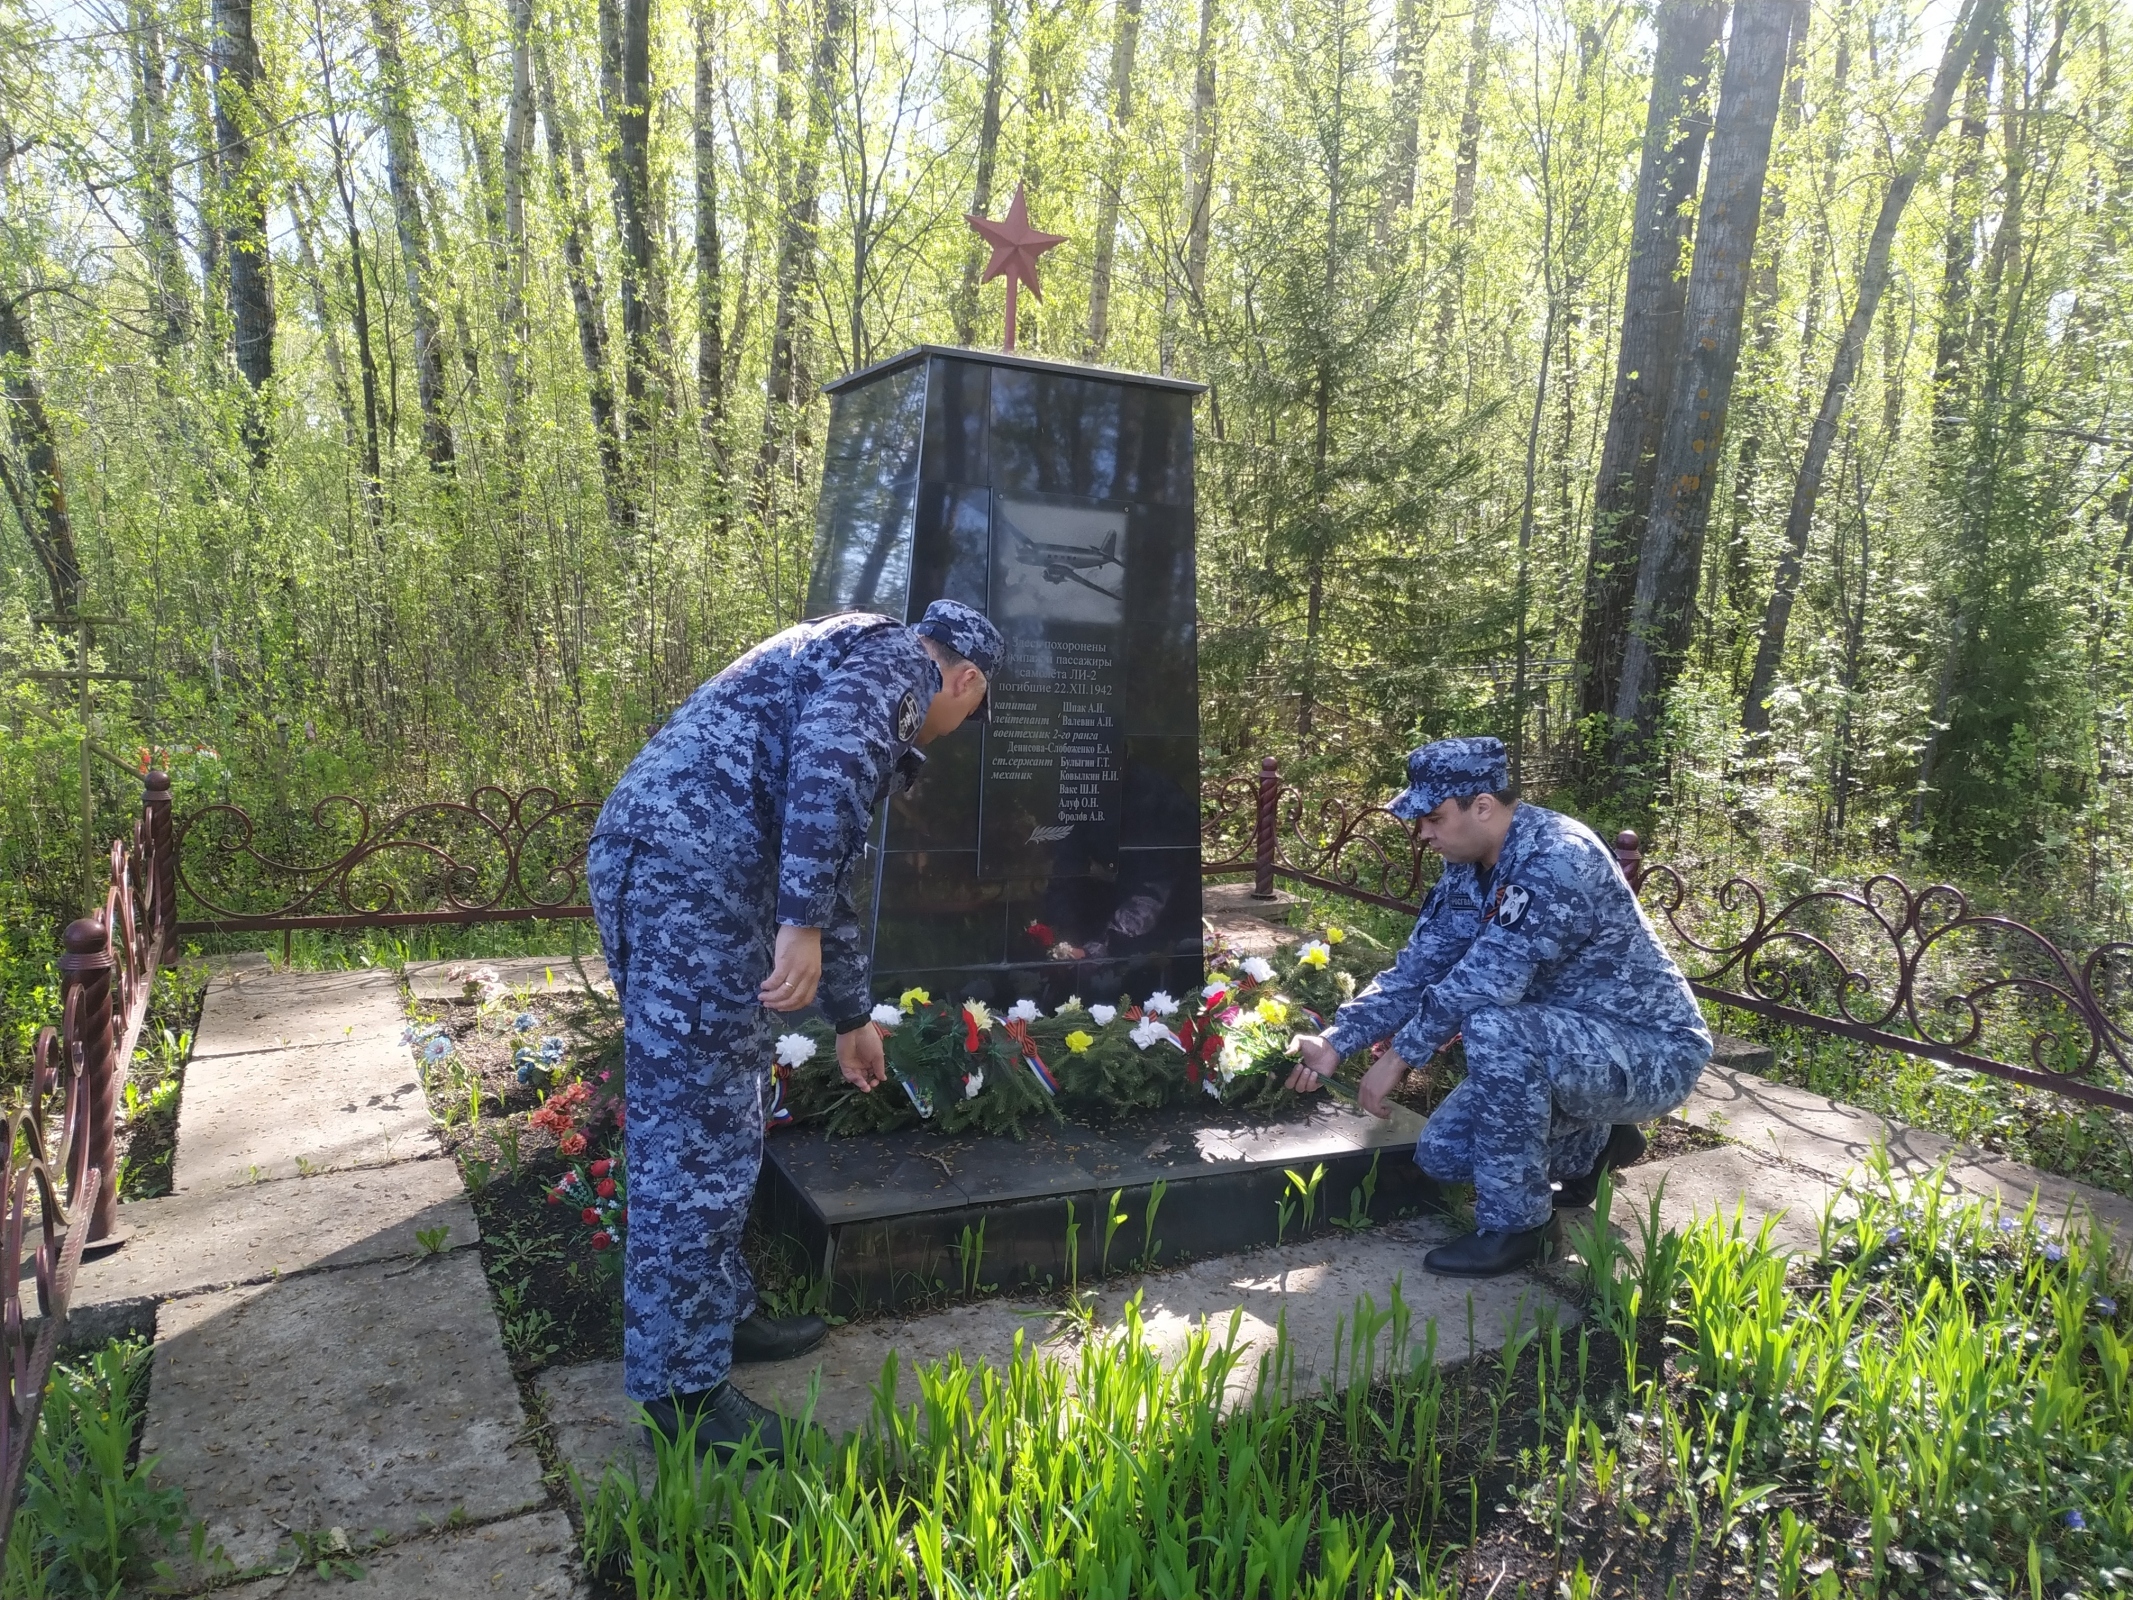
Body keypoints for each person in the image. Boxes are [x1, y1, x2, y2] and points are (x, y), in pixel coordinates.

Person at [585, 599, 1003, 1459]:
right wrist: (800, 922)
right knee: (693, 1136)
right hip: (685, 878)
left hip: (693, 874)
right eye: (971, 710)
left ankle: (718, 1319)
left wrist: (851, 1016)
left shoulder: (848, 652)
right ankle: (682, 1391)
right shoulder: (898, 663)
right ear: (963, 679)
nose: (953, 726)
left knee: (723, 1118)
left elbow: (831, 848)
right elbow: (825, 773)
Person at [1284, 736, 1710, 1277]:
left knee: (1492, 1026)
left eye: (1434, 817)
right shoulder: (1468, 865)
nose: (1424, 833)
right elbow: (1419, 969)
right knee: (1446, 1153)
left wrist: (1399, 1057)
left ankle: (1520, 1228)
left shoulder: (1557, 857)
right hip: (1572, 1048)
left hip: (1652, 1051)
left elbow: (1488, 981)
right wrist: (1337, 1041)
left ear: (1482, 806)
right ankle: (1598, 1135)